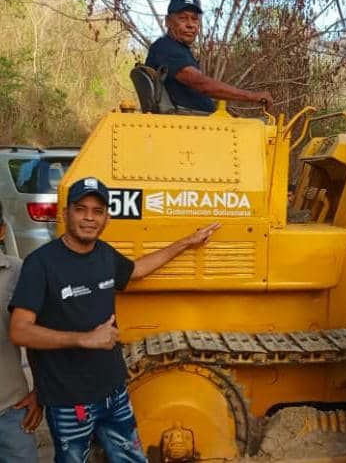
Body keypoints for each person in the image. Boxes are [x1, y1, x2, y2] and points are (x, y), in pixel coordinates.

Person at [8, 177, 220, 462]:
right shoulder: (41, 264)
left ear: (106, 217)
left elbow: (138, 270)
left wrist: (186, 243)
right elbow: (20, 330)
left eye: (97, 211)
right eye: (81, 209)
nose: (89, 218)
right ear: (66, 212)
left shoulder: (105, 254)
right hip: (70, 402)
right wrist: (83, 338)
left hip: (114, 392)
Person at [145, 0, 273, 113]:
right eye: (183, 18)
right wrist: (252, 96)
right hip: (190, 126)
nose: (190, 25)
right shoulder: (165, 48)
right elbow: (201, 84)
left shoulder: (179, 49)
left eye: (194, 19)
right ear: (168, 22)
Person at [0, 203, 41, 463]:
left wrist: (40, 391)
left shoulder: (19, 272)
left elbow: (41, 335)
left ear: (2, 231)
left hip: (11, 411)